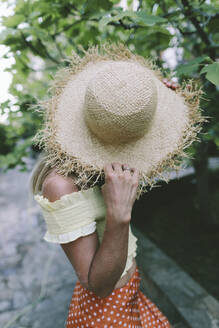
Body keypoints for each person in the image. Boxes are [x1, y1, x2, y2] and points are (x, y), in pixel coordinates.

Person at [30, 42, 204, 327]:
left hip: (132, 293)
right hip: (108, 313)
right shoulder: (60, 186)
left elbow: (125, 116)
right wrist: (119, 216)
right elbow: (97, 285)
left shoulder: (98, 166)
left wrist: (149, 104)